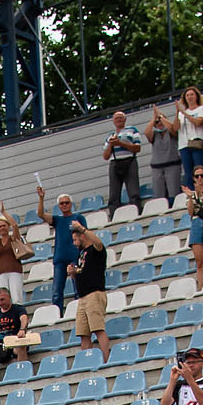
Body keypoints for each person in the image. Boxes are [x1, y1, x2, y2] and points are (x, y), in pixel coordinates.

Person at [38, 190, 86, 312]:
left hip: (75, 257)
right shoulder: (57, 220)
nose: (64, 205)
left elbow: (85, 234)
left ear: (71, 203)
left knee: (78, 288)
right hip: (60, 259)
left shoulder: (78, 218)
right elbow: (41, 214)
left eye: (66, 202)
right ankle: (57, 314)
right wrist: (41, 199)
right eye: (61, 203)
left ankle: (80, 312)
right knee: (57, 291)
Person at [68, 221, 110, 352]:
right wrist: (73, 273)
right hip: (82, 297)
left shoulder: (95, 250)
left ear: (82, 236)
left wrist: (82, 228)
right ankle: (88, 361)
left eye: (75, 239)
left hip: (94, 294)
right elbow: (82, 273)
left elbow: (99, 244)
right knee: (83, 334)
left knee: (98, 329)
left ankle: (105, 360)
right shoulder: (81, 254)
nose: (74, 243)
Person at [104, 110, 145, 213]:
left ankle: (136, 212)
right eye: (116, 118)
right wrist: (111, 144)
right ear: (113, 121)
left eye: (120, 118)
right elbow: (105, 156)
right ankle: (114, 214)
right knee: (114, 193)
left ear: (125, 119)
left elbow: (137, 148)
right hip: (115, 162)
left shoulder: (132, 130)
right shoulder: (110, 135)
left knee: (133, 190)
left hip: (130, 160)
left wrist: (121, 143)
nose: (118, 120)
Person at [0, 201, 28, 302]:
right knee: (4, 299)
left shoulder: (13, 238)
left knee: (16, 298)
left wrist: (4, 212)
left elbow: (15, 225)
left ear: (7, 226)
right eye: (0, 226)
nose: (2, 228)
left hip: (15, 270)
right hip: (0, 273)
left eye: (4, 225)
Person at [176, 85, 203, 185]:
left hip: (197, 141)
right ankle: (193, 194)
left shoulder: (202, 108)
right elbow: (176, 127)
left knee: (199, 170)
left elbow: (198, 122)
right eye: (187, 95)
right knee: (188, 174)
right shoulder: (181, 113)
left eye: (192, 94)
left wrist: (185, 113)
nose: (189, 97)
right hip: (184, 145)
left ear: (196, 96)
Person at [145, 104, 182, 204]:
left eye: (161, 121)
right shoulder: (155, 135)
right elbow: (147, 132)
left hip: (172, 164)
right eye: (157, 122)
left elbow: (174, 129)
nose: (159, 123)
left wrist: (161, 117)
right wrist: (154, 118)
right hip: (157, 167)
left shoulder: (171, 132)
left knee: (173, 193)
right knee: (158, 194)